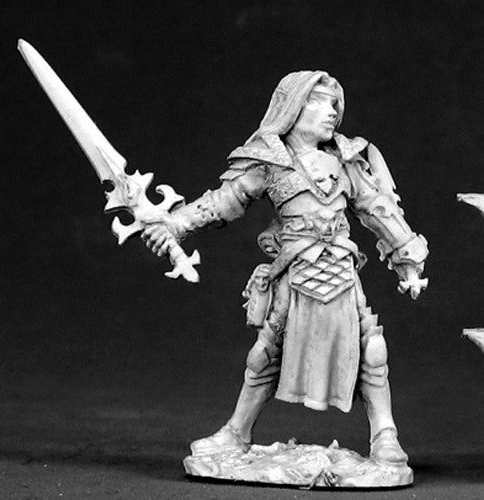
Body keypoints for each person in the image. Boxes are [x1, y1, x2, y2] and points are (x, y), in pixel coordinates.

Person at [142, 70, 428, 465]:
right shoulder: (270, 160)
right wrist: (175, 225)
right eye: (319, 102)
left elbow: (377, 208)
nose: (332, 112)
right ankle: (236, 433)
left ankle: (385, 437)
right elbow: (225, 201)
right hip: (293, 273)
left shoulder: (346, 159)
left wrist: (407, 256)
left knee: (371, 351)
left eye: (334, 104)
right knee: (265, 356)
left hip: (342, 272)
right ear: (292, 107)